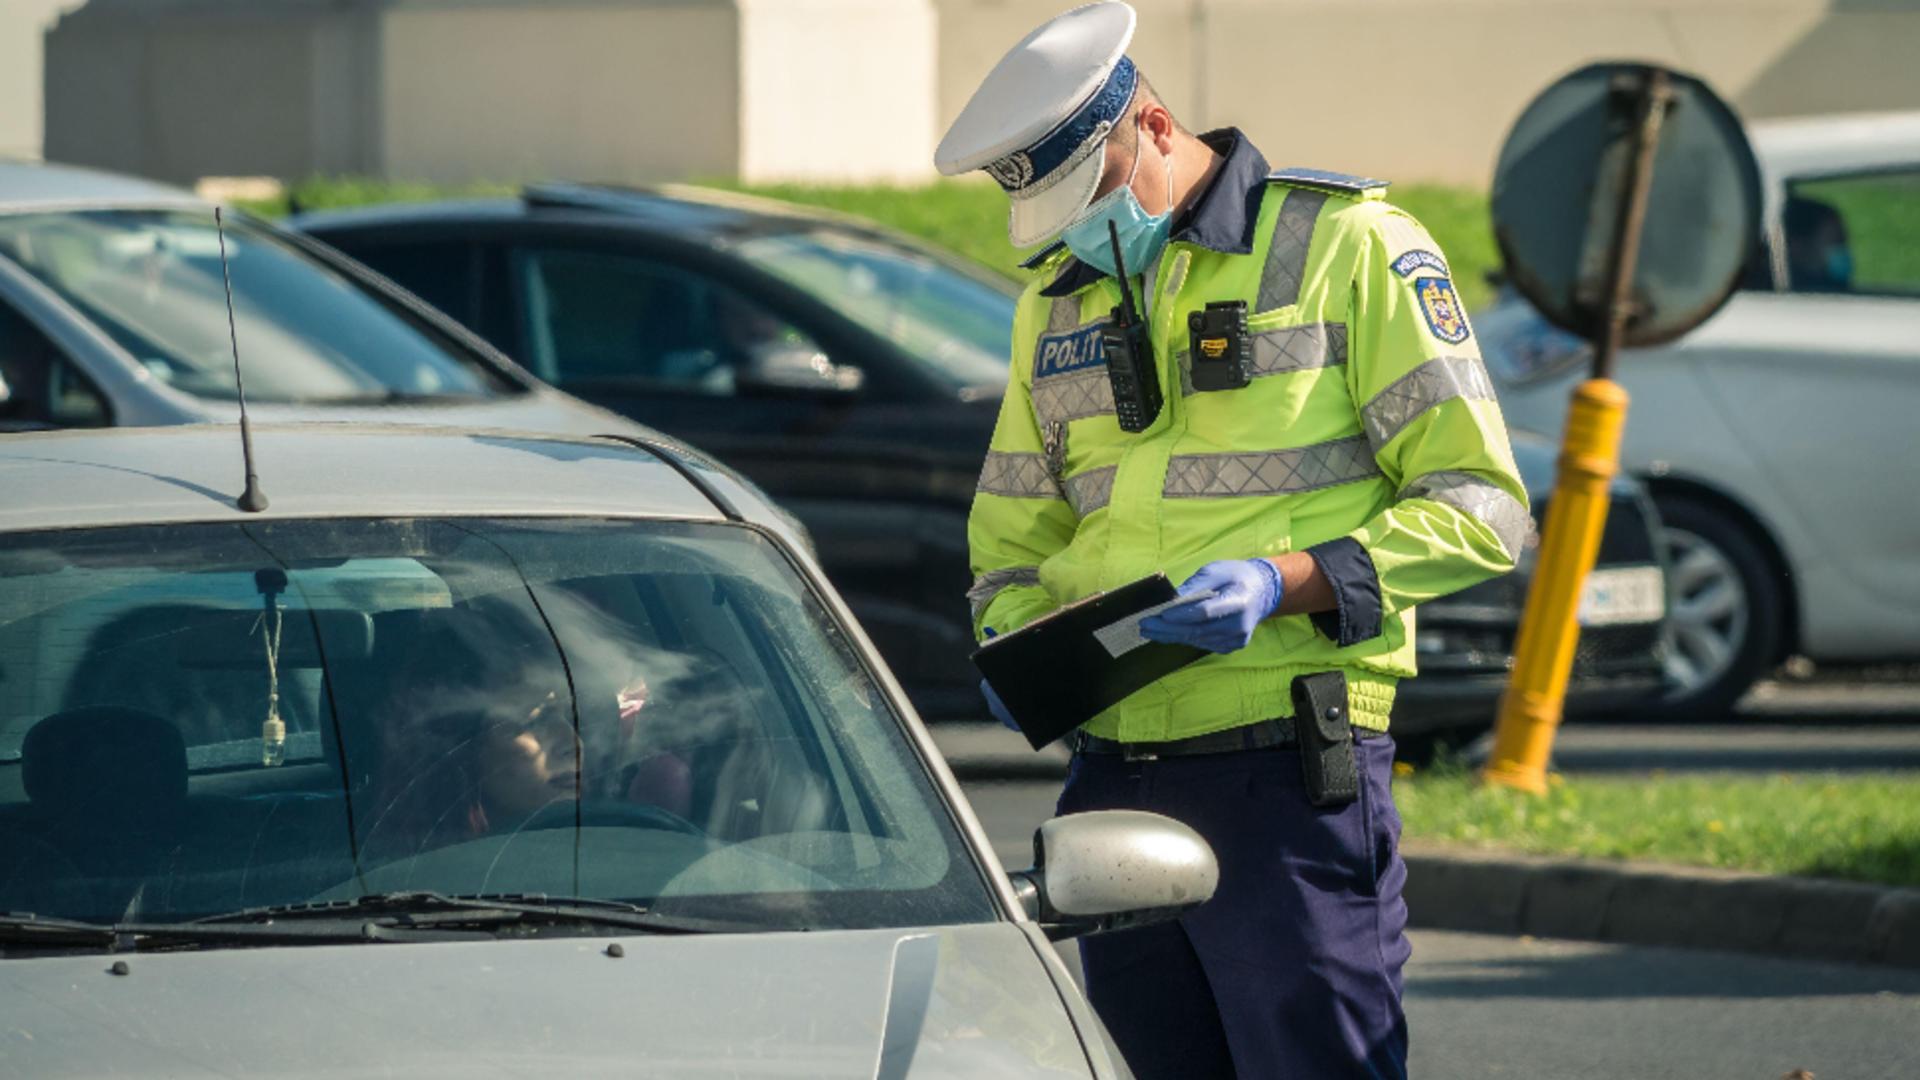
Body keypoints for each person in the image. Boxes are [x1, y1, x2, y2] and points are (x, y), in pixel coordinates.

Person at [938, 4, 1528, 1076]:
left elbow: (1482, 505)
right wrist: (1019, 643)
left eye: (1096, 196)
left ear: (1154, 128)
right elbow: (1012, 535)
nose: (1084, 231)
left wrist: (1286, 580)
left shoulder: (1349, 246)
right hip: (1111, 778)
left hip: (1287, 775)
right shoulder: (1056, 309)